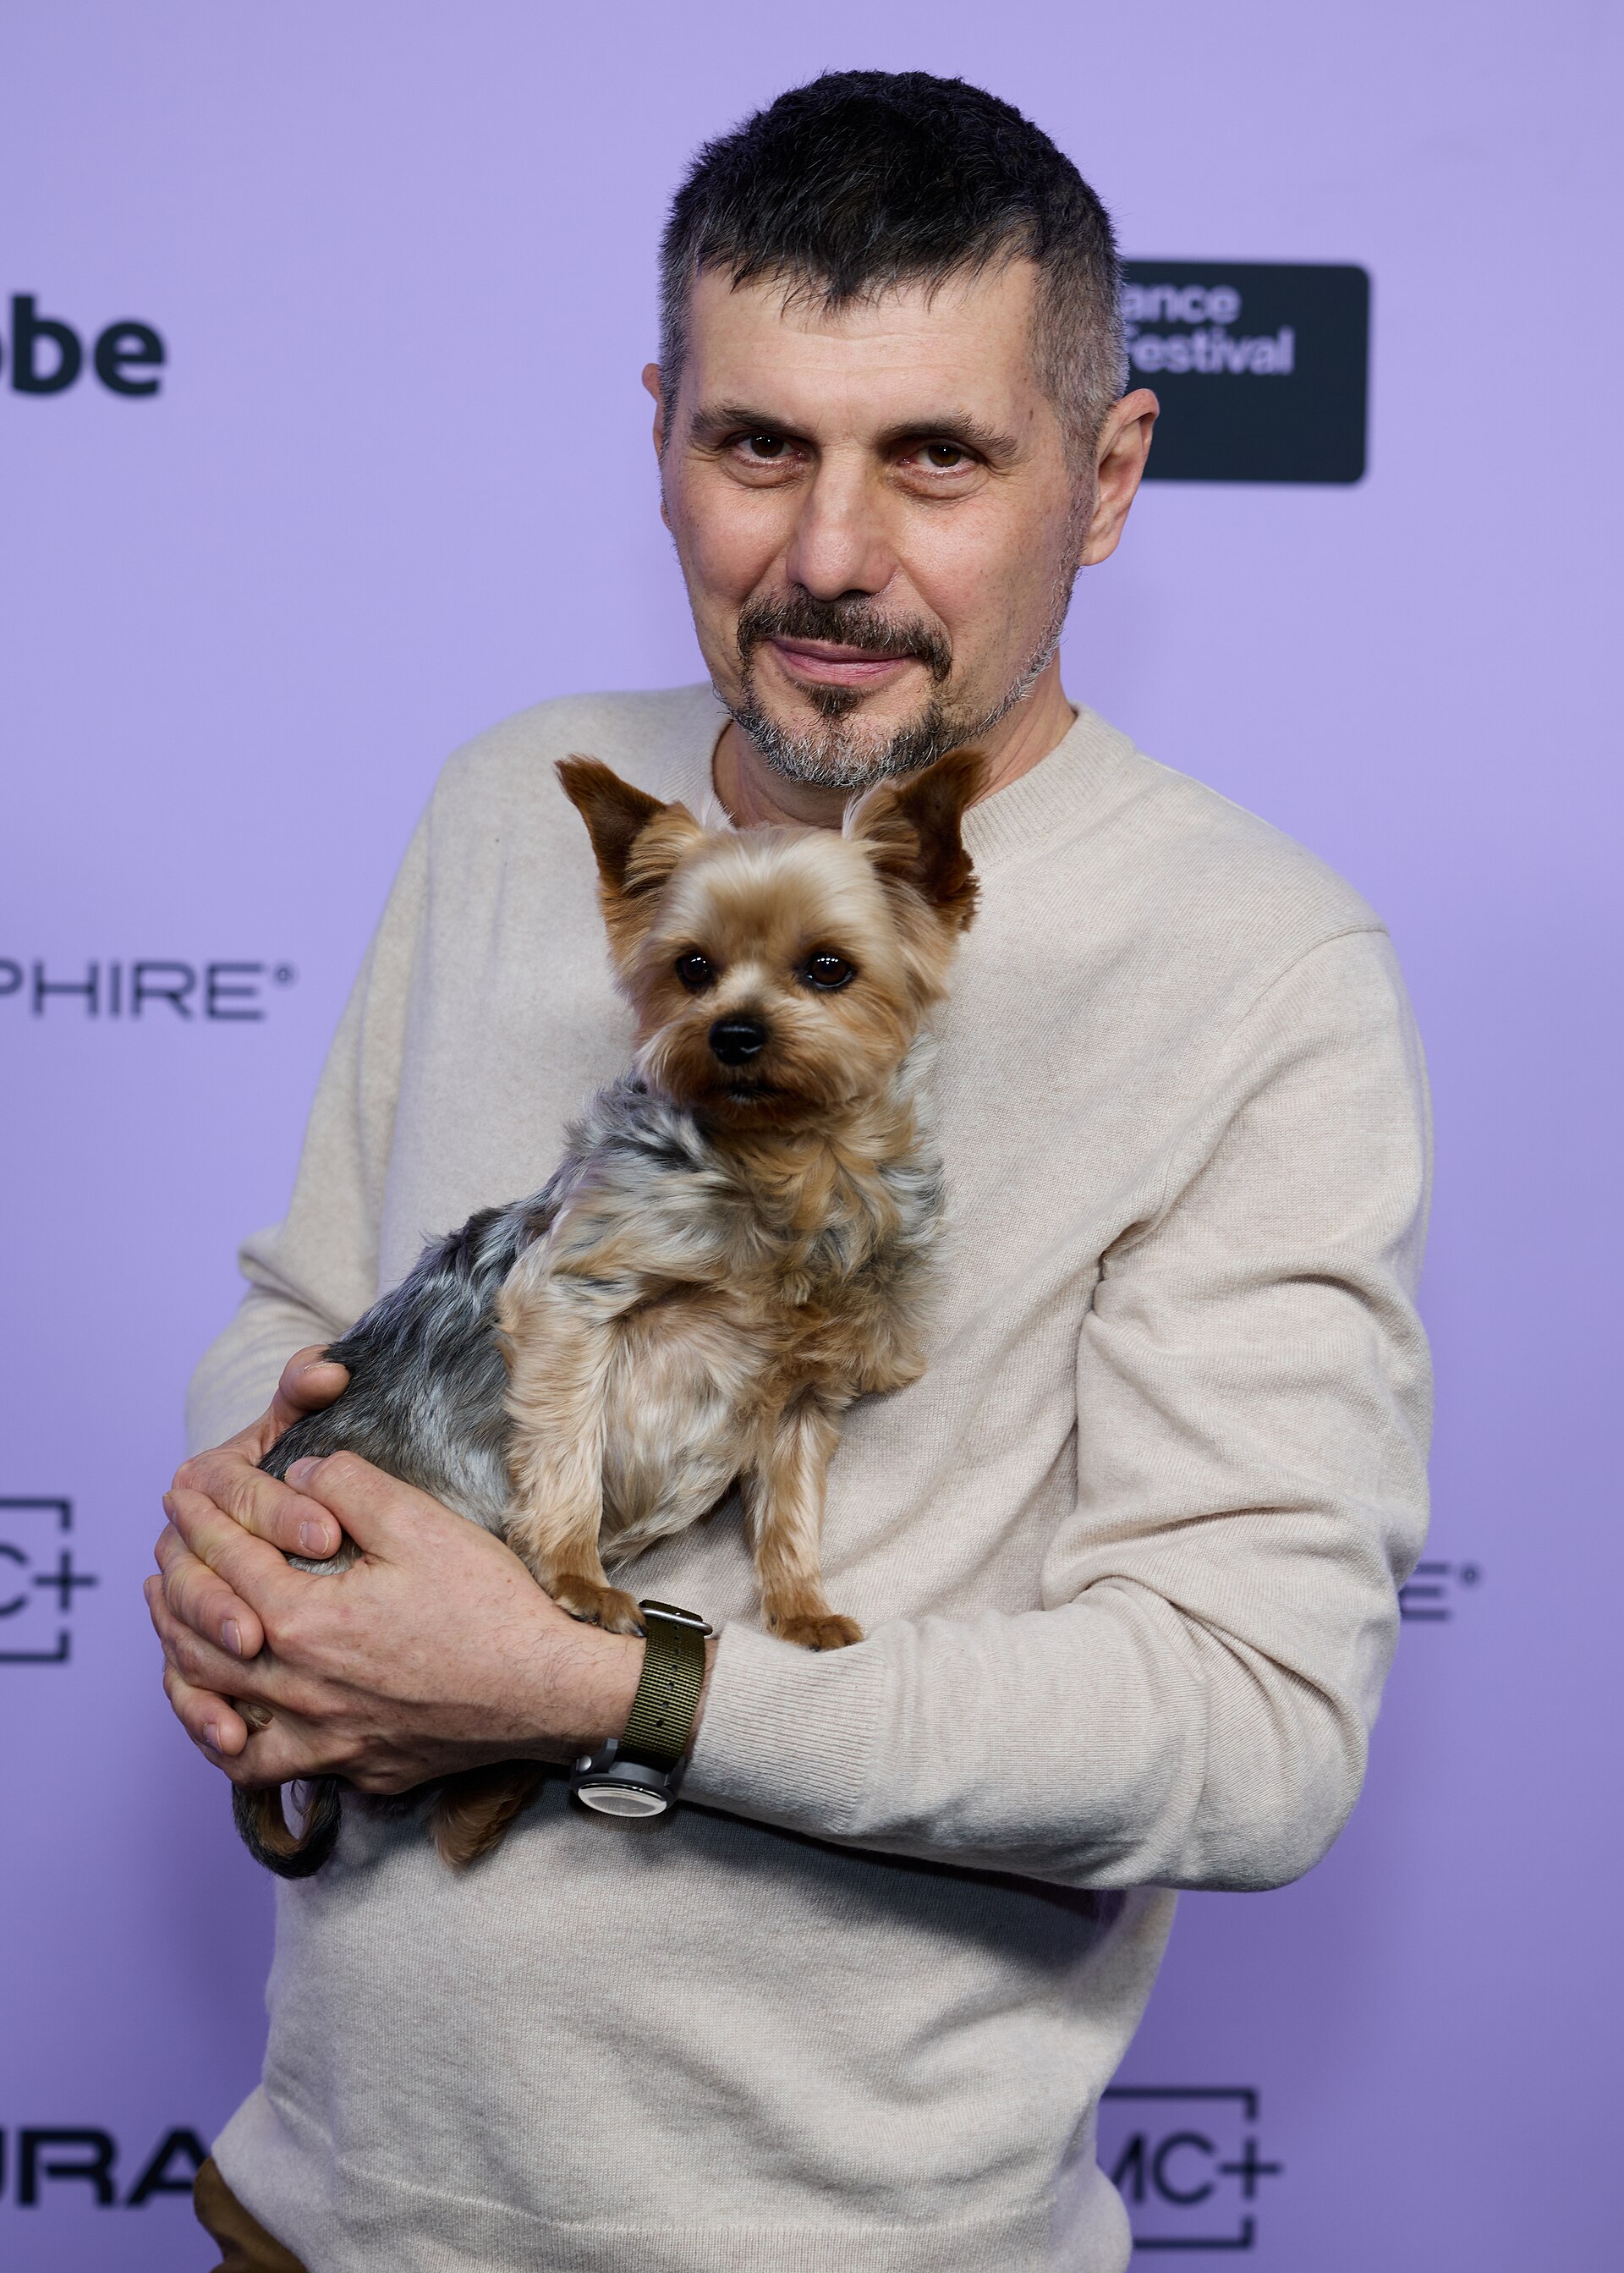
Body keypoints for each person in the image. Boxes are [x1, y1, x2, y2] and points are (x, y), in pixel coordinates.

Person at [149, 69, 1431, 2273]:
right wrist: (242, 1548)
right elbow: (306, 1315)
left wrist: (592, 1685)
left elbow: (1250, 1728)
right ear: (662, 433)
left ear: (1107, 477)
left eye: (939, 456)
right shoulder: (502, 806)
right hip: (318, 2211)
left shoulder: (1260, 967)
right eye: (761, 446)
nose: (831, 553)